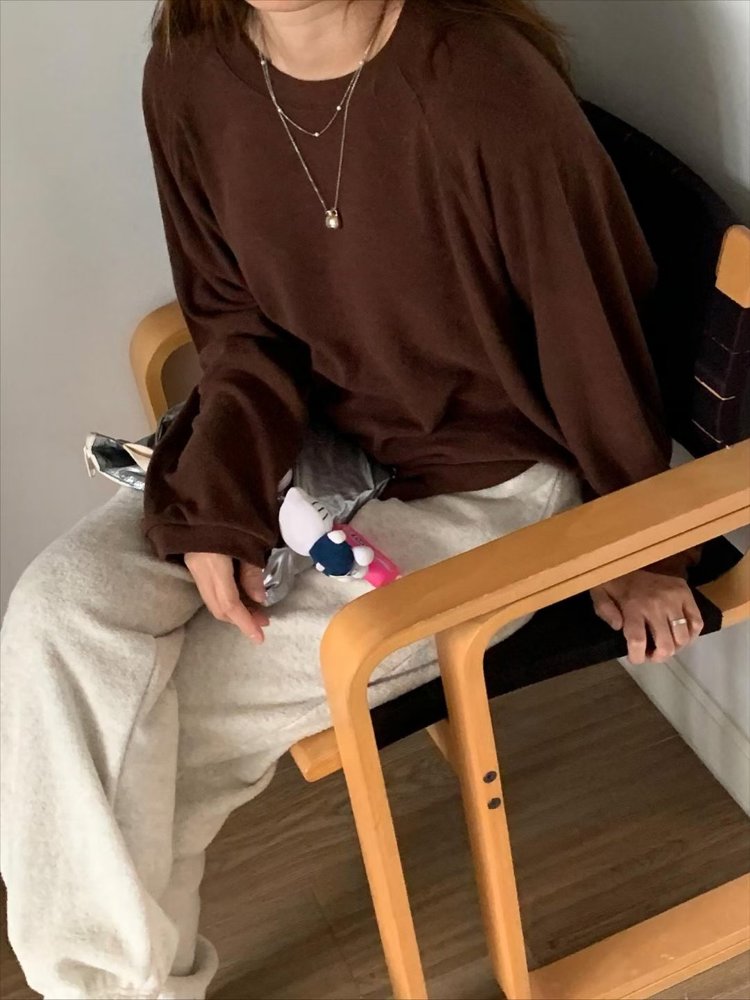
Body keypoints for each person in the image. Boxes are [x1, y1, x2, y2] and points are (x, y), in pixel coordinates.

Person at [0, 1, 706, 997]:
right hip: (297, 448)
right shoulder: (189, 68)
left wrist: (639, 544)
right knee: (56, 613)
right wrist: (222, 494)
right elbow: (232, 328)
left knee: (151, 729)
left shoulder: (483, 82)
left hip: (482, 479)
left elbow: (592, 329)